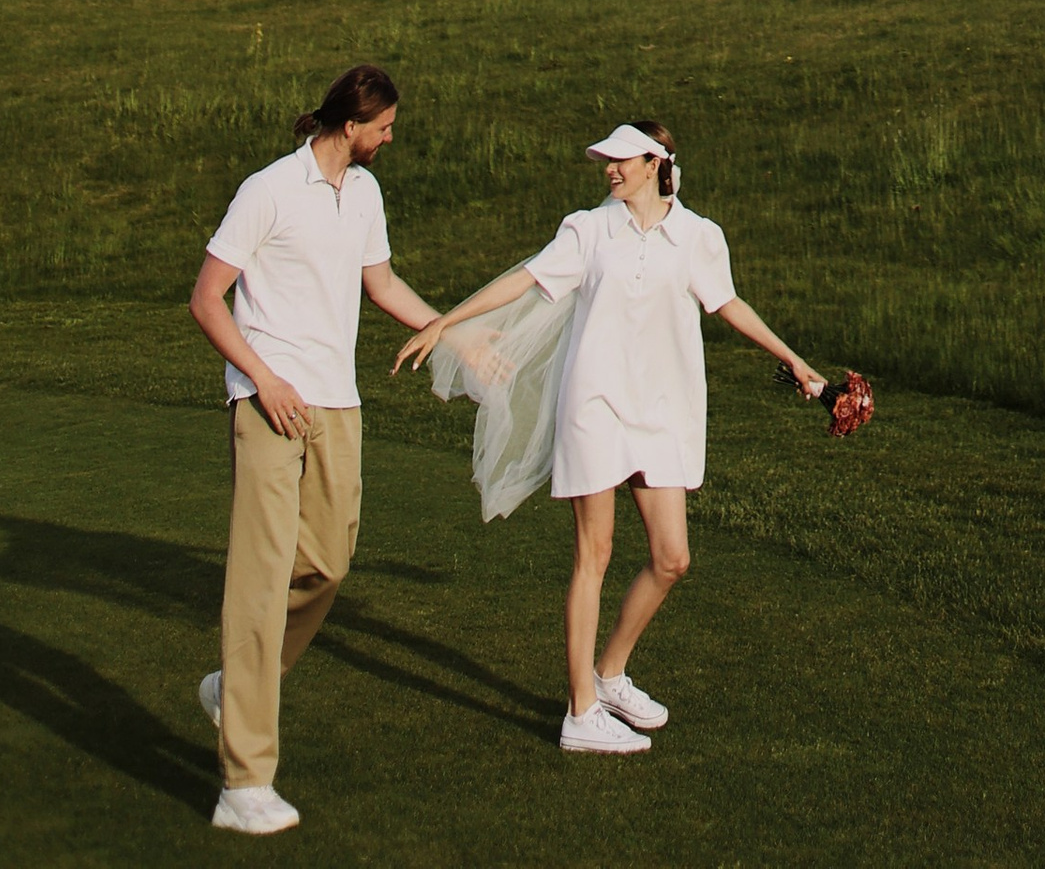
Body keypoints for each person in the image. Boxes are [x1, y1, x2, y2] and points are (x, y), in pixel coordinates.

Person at [398, 120, 830, 753]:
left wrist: (794, 360)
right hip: (593, 407)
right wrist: (446, 322)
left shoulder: (697, 237)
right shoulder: (588, 230)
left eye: (620, 160)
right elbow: (522, 279)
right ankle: (579, 714)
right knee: (593, 556)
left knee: (672, 557)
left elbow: (728, 303)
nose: (609, 168)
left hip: (661, 411)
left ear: (656, 163)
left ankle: (609, 676)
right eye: (605, 160)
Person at [188, 65, 445, 836]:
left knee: (330, 561)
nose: (391, 139)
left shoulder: (363, 194)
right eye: (385, 127)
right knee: (260, 579)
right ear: (352, 124)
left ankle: (235, 685)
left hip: (338, 400)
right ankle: (245, 781)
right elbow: (207, 297)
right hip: (269, 400)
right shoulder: (267, 189)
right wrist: (261, 379)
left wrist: (449, 328)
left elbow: (383, 284)